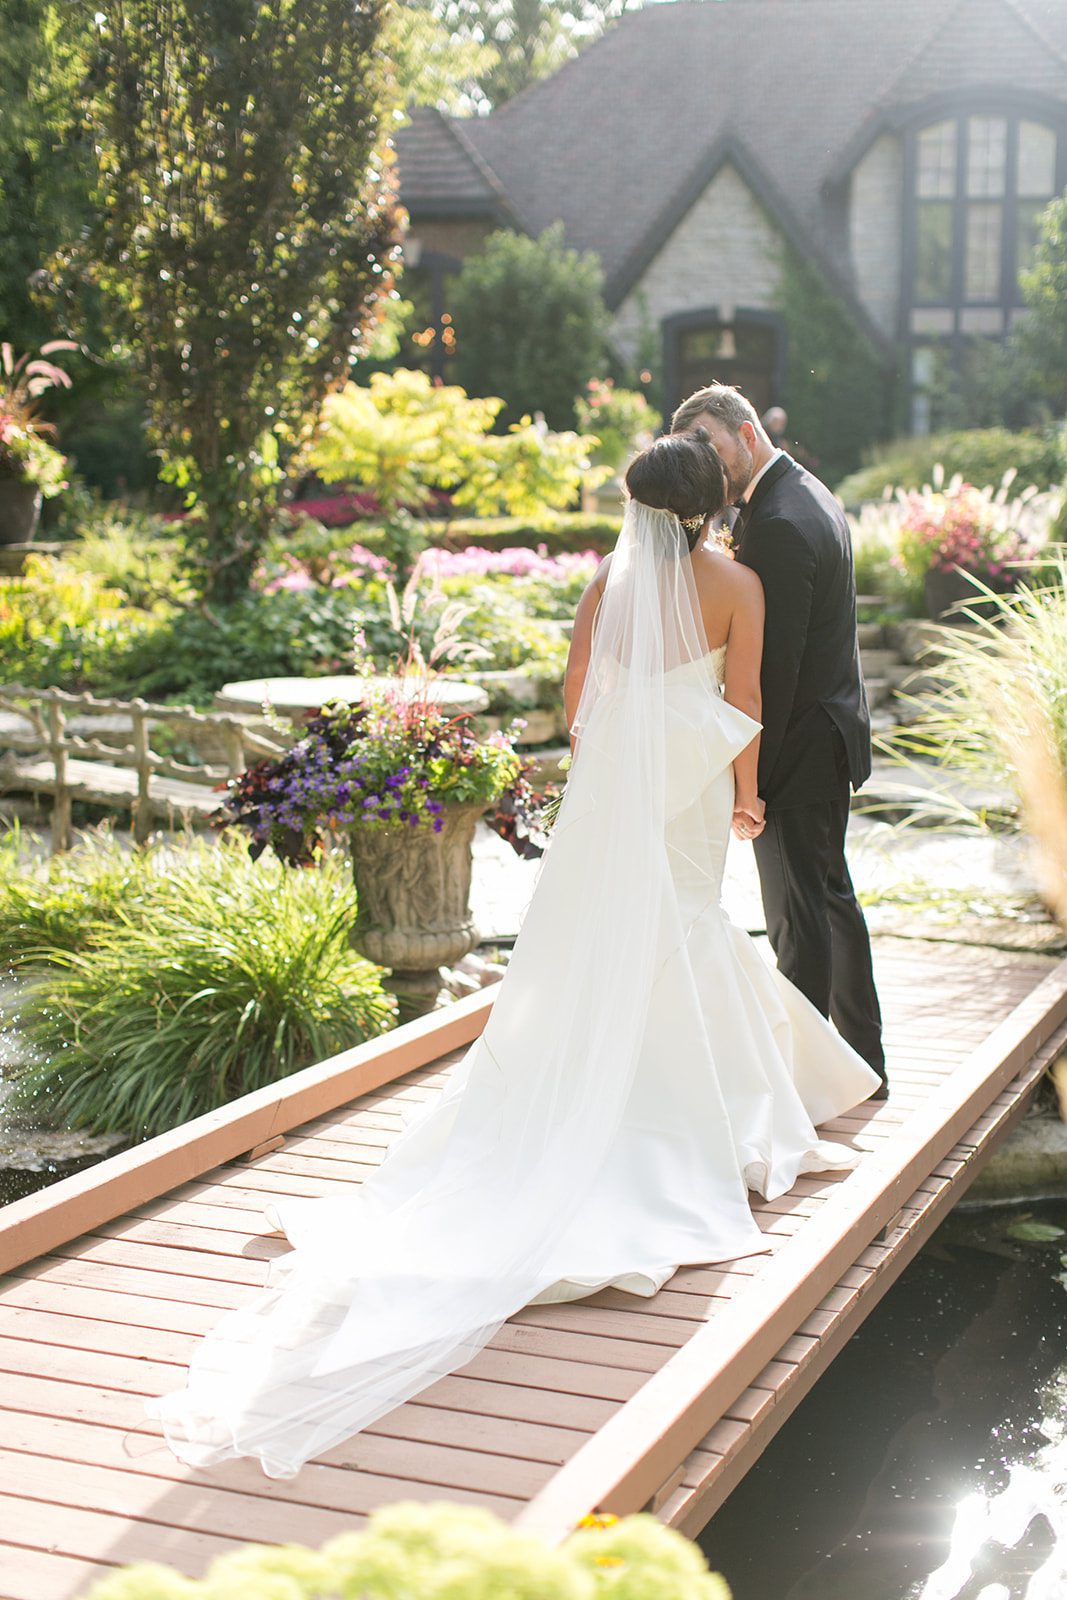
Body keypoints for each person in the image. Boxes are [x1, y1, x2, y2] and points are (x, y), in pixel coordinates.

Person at [149, 430, 880, 1479]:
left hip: (612, 796)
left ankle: (645, 1099)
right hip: (686, 794)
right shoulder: (738, 582)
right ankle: (718, 1119)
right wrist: (743, 792)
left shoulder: (606, 582)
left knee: (596, 943)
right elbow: (747, 705)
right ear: (708, 497)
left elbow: (578, 704)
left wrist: (616, 763)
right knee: (687, 930)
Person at [671, 385, 886, 1094]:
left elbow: (775, 669)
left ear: (745, 432)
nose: (705, 460)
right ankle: (861, 1065)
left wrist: (748, 779)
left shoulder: (780, 522)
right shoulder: (801, 493)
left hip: (798, 740)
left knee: (797, 919)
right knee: (828, 899)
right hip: (827, 728)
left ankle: (812, 1082)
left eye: (709, 443)